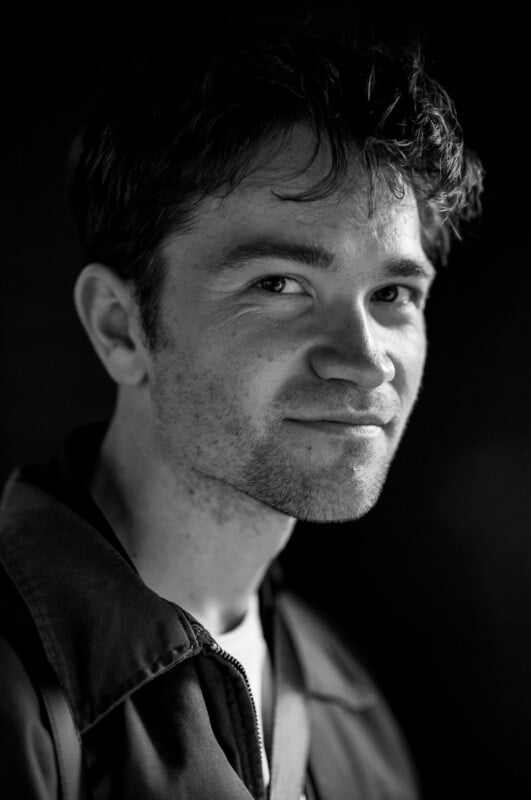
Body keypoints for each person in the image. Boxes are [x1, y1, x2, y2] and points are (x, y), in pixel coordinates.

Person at [0, 14, 483, 800]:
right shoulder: (21, 696)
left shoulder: (346, 704)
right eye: (280, 285)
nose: (364, 362)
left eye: (393, 294)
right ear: (120, 327)